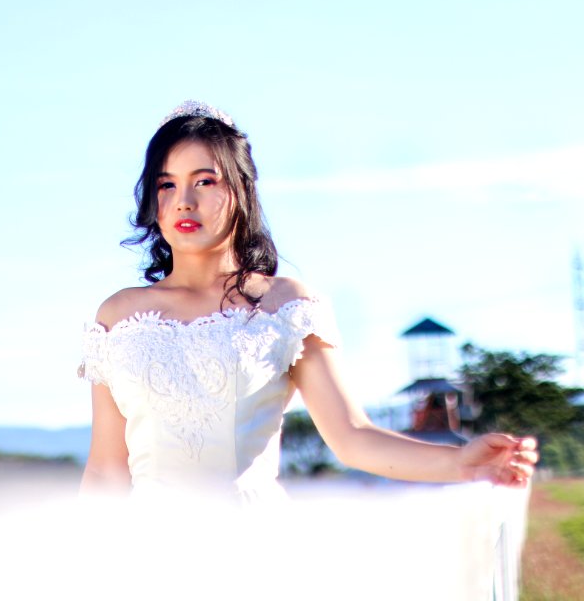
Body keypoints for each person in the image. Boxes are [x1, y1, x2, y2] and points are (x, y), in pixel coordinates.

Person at [78, 100, 538, 501]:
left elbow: (352, 437)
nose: (183, 201)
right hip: (146, 555)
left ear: (241, 191)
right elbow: (105, 469)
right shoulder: (118, 316)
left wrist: (463, 462)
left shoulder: (285, 308)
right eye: (166, 185)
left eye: (205, 181)